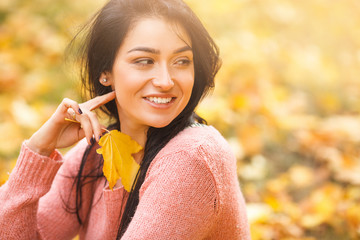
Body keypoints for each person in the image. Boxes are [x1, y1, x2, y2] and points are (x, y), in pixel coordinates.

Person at [0, 0, 250, 239]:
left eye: (181, 61)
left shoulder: (193, 156)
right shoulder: (94, 154)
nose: (165, 81)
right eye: (144, 61)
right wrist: (38, 150)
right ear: (105, 72)